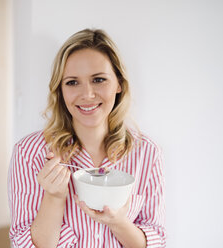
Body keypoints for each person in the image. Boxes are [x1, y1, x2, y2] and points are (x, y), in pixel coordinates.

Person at [8, 28, 166, 248]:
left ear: (119, 84)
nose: (87, 94)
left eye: (99, 79)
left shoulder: (147, 152)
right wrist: (53, 197)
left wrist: (118, 222)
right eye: (72, 82)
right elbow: (24, 245)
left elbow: (156, 241)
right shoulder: (29, 153)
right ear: (60, 90)